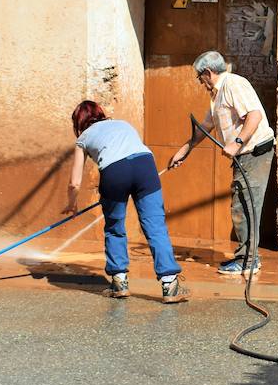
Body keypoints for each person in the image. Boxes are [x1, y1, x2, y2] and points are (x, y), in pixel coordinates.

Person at [167, 51, 276, 276]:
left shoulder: (234, 84)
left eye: (200, 78)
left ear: (208, 73)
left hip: (255, 152)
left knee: (245, 205)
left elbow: (254, 116)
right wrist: (185, 150)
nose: (201, 83)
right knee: (242, 204)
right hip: (244, 155)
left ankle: (248, 261)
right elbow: (206, 126)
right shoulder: (217, 96)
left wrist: (236, 142)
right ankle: (247, 258)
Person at [67, 100, 188, 304]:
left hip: (114, 172)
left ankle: (119, 282)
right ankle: (170, 285)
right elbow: (132, 152)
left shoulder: (84, 137)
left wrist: (71, 204)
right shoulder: (123, 124)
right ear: (100, 114)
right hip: (145, 166)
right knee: (156, 227)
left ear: (79, 123)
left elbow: (74, 182)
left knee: (115, 228)